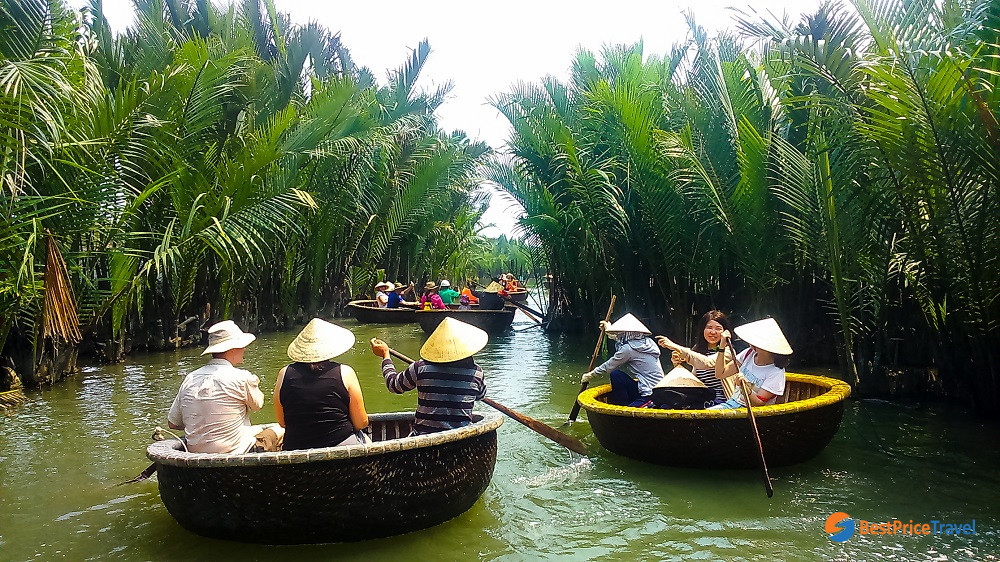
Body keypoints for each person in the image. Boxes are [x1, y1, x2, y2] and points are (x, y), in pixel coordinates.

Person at [167, 321, 283, 454]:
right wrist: (254, 383)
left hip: (195, 453)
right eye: (242, 346)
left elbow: (173, 423)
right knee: (281, 429)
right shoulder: (242, 377)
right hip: (236, 452)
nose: (244, 349)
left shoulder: (190, 378)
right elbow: (258, 405)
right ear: (232, 349)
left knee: (258, 430)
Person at [370, 317, 487, 434]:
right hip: (462, 438)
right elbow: (480, 395)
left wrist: (385, 355)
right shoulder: (477, 373)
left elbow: (393, 385)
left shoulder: (420, 368)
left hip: (423, 435)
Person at [273, 318, 369, 450]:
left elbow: (282, 422)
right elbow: (361, 423)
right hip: (341, 444)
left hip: (295, 447)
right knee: (366, 440)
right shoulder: (345, 372)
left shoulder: (284, 374)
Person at [580, 313, 664, 408]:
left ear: (626, 334)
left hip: (650, 393)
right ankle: (625, 404)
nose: (619, 335)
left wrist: (590, 375)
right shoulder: (648, 342)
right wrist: (609, 329)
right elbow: (622, 341)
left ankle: (624, 407)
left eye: (621, 333)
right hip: (652, 388)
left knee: (630, 407)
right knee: (616, 375)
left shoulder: (628, 349)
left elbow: (609, 366)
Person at [709, 317, 792, 410]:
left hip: (749, 411)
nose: (751, 344)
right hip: (731, 404)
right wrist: (722, 347)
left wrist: (744, 387)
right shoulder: (748, 353)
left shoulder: (776, 372)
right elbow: (720, 374)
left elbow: (759, 404)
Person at [655, 310, 732, 406]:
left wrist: (674, 346)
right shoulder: (698, 349)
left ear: (725, 332)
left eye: (718, 328)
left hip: (719, 400)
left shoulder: (728, 351)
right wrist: (677, 364)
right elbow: (694, 380)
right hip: (700, 397)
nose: (713, 332)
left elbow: (707, 363)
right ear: (703, 329)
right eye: (709, 327)